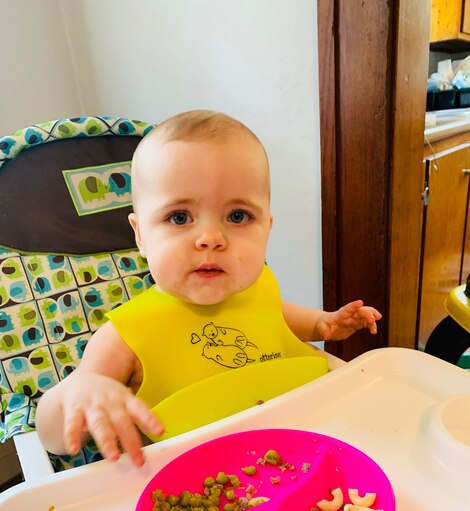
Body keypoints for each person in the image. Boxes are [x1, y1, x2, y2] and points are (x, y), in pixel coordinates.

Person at [35, 110, 382, 468]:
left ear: (267, 227)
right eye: (179, 217)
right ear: (140, 235)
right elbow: (52, 438)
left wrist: (323, 324)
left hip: (290, 453)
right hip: (187, 483)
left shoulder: (259, 287)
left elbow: (276, 317)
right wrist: (79, 391)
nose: (211, 239)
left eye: (237, 216)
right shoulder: (126, 335)